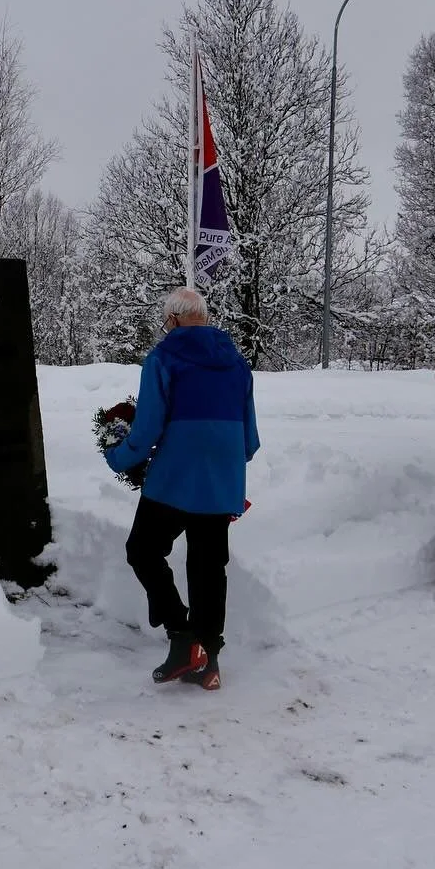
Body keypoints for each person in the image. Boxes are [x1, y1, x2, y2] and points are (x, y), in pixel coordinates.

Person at [105, 287, 259, 690]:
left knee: (143, 550)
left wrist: (118, 455)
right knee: (209, 568)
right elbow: (250, 441)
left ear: (172, 320)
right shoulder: (238, 364)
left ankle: (182, 636)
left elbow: (148, 428)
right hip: (220, 483)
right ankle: (209, 662)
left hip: (173, 480)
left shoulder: (163, 359)